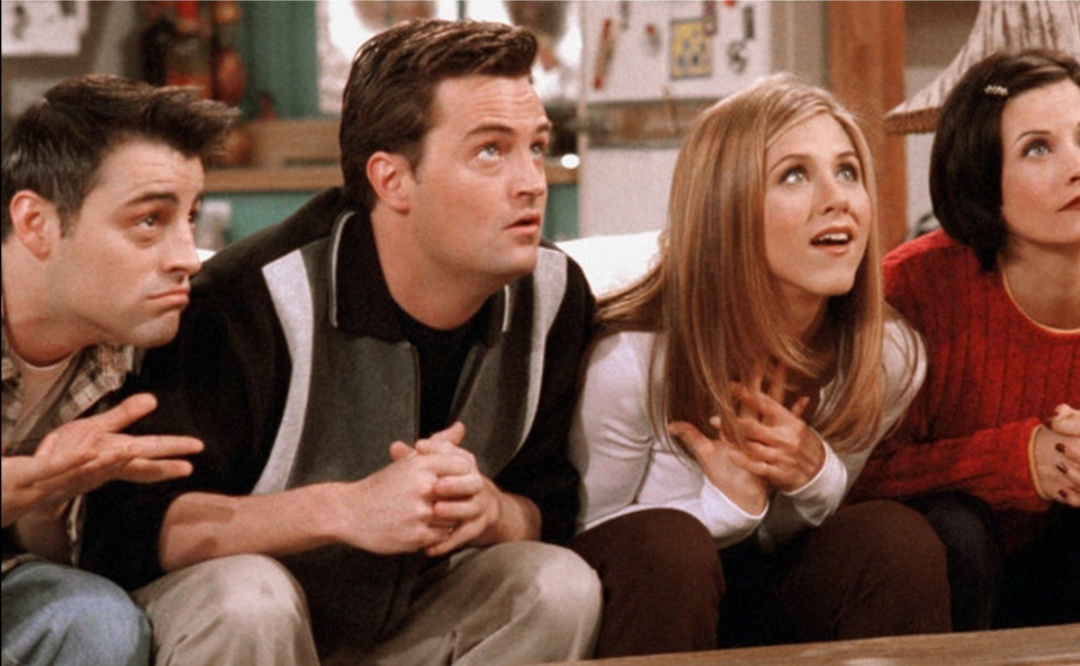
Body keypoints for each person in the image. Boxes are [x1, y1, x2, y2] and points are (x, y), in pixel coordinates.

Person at [81, 19, 601, 665]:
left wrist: (491, 510)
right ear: (392, 180)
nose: (532, 182)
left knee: (556, 584)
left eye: (537, 146)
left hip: (416, 617)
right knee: (250, 598)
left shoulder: (553, 296)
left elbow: (551, 504)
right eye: (491, 151)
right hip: (253, 624)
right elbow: (130, 528)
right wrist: (345, 508)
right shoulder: (244, 301)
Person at [568, 74, 951, 658]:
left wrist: (816, 473)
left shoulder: (890, 355)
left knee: (895, 540)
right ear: (725, 208)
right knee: (671, 547)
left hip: (776, 589)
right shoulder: (631, 358)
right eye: (794, 175)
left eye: (848, 171)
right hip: (657, 600)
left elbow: (804, 528)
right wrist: (726, 507)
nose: (838, 199)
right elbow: (582, 536)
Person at [1, 74, 228, 665]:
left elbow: (54, 557)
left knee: (96, 620)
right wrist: (22, 484)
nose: (186, 258)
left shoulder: (138, 340)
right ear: (35, 224)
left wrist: (45, 502)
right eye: (149, 220)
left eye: (190, 218)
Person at [850, 48, 1080, 631]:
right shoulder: (913, 287)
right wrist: (1015, 460)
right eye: (1037, 148)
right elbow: (852, 474)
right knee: (957, 530)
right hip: (951, 566)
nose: (1077, 166)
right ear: (982, 179)